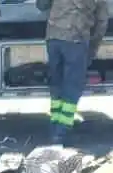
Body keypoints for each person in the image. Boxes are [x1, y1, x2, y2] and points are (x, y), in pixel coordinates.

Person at [43, 0, 108, 144]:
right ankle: (62, 132)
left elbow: (41, 5)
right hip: (75, 40)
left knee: (56, 83)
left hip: (53, 38)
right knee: (72, 86)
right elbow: (101, 23)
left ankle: (55, 127)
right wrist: (92, 49)